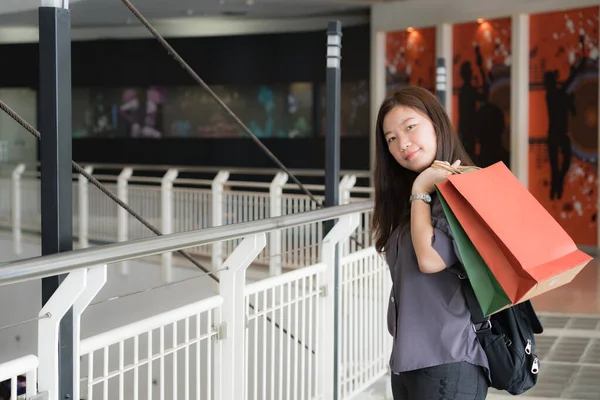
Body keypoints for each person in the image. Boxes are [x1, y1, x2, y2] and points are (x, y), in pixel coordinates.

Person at [371, 87, 490, 400]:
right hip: (407, 359)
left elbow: (430, 259)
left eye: (410, 127)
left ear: (437, 123)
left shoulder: (464, 190)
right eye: (391, 138)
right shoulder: (413, 201)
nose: (402, 143)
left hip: (449, 358)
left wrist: (421, 189)